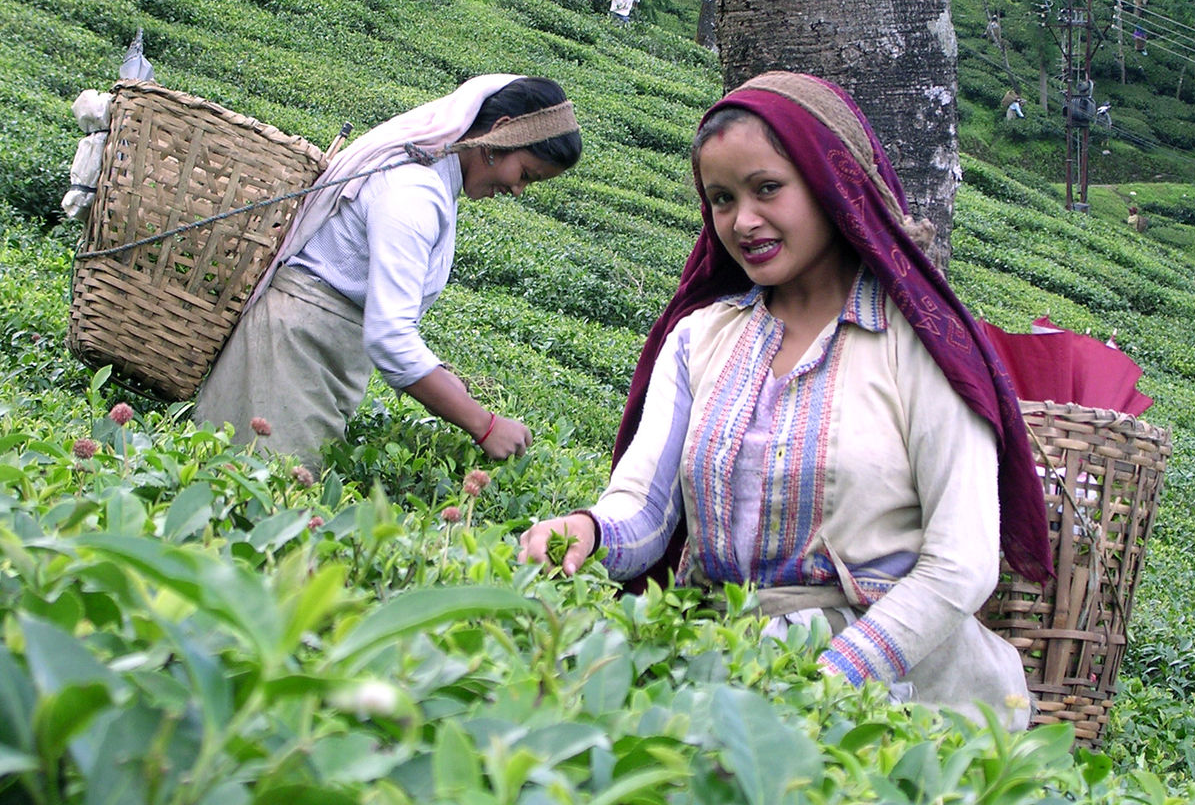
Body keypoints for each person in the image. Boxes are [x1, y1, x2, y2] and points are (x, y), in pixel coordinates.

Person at [520, 71, 1052, 728]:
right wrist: (590, 532)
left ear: (832, 185)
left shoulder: (922, 345)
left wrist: (821, 676)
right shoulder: (699, 339)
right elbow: (647, 510)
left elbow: (960, 566)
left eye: (767, 188)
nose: (742, 221)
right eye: (720, 199)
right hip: (720, 673)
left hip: (896, 698)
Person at [195, 75, 582, 472]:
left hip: (311, 353)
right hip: (289, 355)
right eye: (526, 175)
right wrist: (484, 426)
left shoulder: (432, 180)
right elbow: (390, 337)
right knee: (258, 502)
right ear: (500, 135)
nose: (518, 191)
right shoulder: (413, 192)